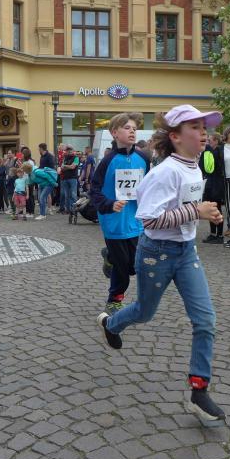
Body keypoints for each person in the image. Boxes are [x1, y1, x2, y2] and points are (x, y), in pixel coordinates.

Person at [97, 105, 226, 424]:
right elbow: (149, 219)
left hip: (186, 252)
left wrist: (205, 211)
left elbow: (185, 207)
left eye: (204, 127)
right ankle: (111, 324)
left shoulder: (194, 166)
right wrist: (196, 212)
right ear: (175, 136)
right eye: (195, 127)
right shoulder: (165, 172)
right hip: (156, 252)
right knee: (145, 311)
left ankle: (199, 390)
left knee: (205, 320)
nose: (203, 133)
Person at [89, 112, 150, 313]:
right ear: (114, 133)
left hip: (135, 221)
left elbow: (148, 187)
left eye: (134, 128)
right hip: (114, 221)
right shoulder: (108, 161)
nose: (132, 131)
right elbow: (94, 191)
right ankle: (115, 299)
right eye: (127, 128)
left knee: (134, 266)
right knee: (122, 267)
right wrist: (109, 204)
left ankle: (109, 256)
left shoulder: (143, 158)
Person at [200, 133, 223, 244]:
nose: (207, 143)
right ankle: (213, 234)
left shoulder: (219, 151)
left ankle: (220, 235)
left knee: (217, 209)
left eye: (210, 141)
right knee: (210, 209)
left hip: (217, 185)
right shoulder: (208, 152)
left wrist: (207, 149)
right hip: (210, 184)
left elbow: (213, 167)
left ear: (216, 141)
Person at [59, 145, 80, 218]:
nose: (69, 151)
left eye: (70, 150)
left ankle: (74, 210)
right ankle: (68, 210)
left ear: (73, 150)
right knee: (66, 195)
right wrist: (67, 166)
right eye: (68, 150)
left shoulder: (76, 158)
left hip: (73, 178)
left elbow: (73, 167)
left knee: (73, 195)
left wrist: (65, 166)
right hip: (65, 178)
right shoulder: (65, 158)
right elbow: (62, 168)